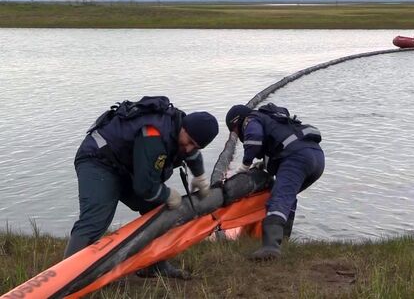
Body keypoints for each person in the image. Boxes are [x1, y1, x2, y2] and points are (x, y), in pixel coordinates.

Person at [64, 96, 219, 279]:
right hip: (98, 160)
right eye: (190, 140)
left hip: (126, 166)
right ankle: (65, 280)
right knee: (95, 221)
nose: (188, 147)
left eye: (196, 145)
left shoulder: (180, 131)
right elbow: (145, 187)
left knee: (158, 212)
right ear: (184, 127)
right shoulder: (154, 134)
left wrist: (200, 177)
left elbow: (191, 154)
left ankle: (155, 265)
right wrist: (168, 194)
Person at [225, 103, 325, 261]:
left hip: (297, 158)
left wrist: (245, 165)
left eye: (235, 132)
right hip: (317, 158)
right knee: (287, 196)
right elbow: (280, 143)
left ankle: (270, 247)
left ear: (237, 122)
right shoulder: (273, 120)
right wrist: (264, 164)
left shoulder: (251, 120)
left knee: (279, 198)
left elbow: (254, 139)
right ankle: (284, 241)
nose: (238, 136)